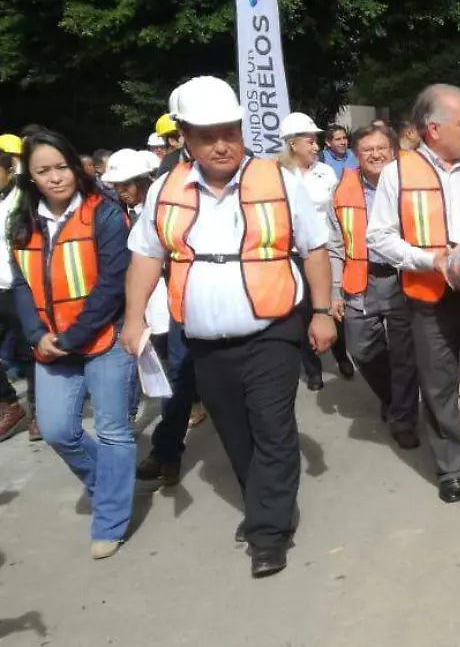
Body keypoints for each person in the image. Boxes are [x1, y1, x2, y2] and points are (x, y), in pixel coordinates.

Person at [123, 75, 337, 577]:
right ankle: (263, 502)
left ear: (242, 131)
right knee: (235, 434)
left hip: (273, 330)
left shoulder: (280, 180)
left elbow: (315, 248)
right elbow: (145, 256)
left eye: (230, 132)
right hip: (204, 341)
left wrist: (324, 311)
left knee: (272, 426)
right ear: (186, 139)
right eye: (206, 135)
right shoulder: (165, 190)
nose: (221, 144)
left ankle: (268, 532)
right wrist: (134, 319)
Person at [367, 84, 460, 504]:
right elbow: (378, 236)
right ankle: (451, 467)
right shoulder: (398, 173)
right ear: (433, 129)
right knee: (438, 385)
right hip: (430, 299)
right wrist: (427, 260)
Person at [9, 130, 136, 557]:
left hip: (102, 338)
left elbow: (113, 283)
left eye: (61, 166)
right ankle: (111, 482)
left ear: (75, 166)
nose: (55, 177)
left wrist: (72, 337)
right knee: (59, 430)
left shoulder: (104, 212)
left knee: (113, 429)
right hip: (49, 345)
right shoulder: (22, 221)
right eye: (43, 171)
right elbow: (21, 287)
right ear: (30, 176)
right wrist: (36, 336)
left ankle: (111, 518)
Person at [96, 149, 202, 487]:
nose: (121, 191)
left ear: (143, 180)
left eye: (125, 184)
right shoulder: (122, 214)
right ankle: (168, 451)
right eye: (116, 185)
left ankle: (168, 451)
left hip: (186, 305)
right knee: (175, 380)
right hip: (157, 311)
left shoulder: (166, 208)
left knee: (183, 380)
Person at [328, 125, 421, 450]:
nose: (375, 154)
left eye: (381, 148)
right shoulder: (342, 190)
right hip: (361, 279)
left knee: (405, 353)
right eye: (367, 150)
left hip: (403, 277)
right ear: (355, 155)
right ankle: (396, 397)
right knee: (361, 350)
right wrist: (333, 290)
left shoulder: (412, 184)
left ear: (393, 150)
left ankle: (404, 419)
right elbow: (335, 243)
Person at [279, 112, 355, 389]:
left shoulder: (325, 172)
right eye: (310, 141)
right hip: (293, 256)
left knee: (333, 303)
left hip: (326, 250)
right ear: (292, 144)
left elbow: (336, 212)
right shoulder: (278, 177)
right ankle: (312, 369)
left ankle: (341, 354)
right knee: (303, 311)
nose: (316, 146)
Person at [0, 149, 31, 442]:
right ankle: (9, 404)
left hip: (20, 286)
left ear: (10, 169)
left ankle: (38, 411)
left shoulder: (22, 200)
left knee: (30, 352)